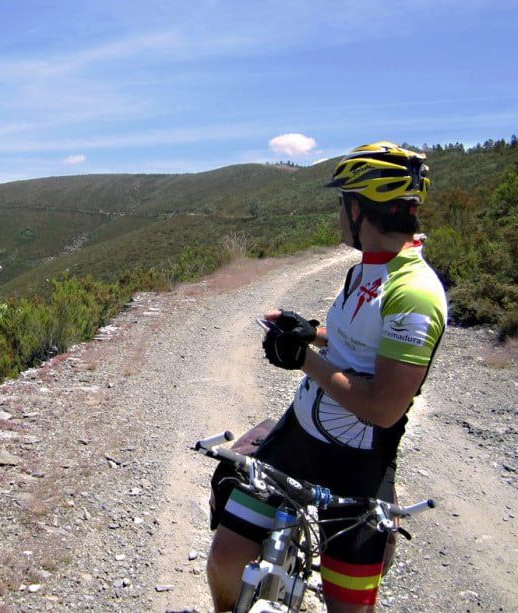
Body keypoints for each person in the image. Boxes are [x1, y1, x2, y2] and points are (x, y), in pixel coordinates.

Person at [206, 142, 448, 613]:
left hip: (358, 463)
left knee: (348, 607)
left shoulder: (415, 294)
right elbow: (351, 341)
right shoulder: (366, 270)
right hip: (299, 436)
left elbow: (383, 407)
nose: (339, 214)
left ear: (357, 208)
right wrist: (309, 333)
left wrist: (303, 360)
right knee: (226, 558)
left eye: (342, 203)